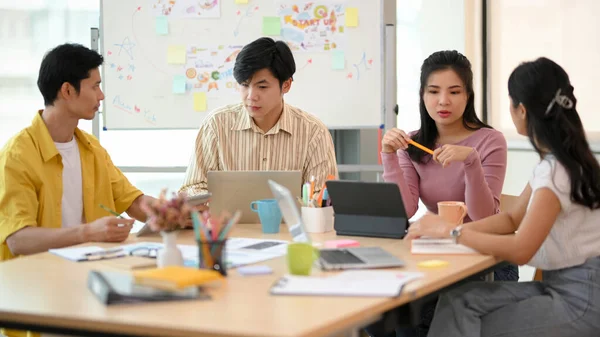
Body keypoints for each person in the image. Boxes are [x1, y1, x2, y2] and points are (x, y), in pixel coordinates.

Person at [406, 57, 600, 336]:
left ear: (520, 110)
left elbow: (522, 250)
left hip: (580, 300)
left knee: (470, 323)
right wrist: (445, 231)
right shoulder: (558, 163)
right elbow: (510, 219)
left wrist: (451, 233)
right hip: (564, 286)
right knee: (457, 301)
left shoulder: (556, 172)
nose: (443, 100)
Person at [376, 50, 516, 337]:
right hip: (438, 255)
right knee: (379, 311)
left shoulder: (490, 141)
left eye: (454, 91)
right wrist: (389, 155)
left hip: (486, 258)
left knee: (412, 318)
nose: (443, 101)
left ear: (468, 96)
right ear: (422, 95)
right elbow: (404, 209)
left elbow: (482, 216)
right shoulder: (413, 143)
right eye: (434, 91)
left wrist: (471, 161)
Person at [0, 43, 156, 265]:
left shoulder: (91, 148)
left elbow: (133, 202)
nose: (101, 96)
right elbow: (18, 239)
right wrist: (88, 232)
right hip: (36, 281)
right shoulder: (17, 155)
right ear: (67, 90)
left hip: (88, 271)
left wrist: (174, 214)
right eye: (95, 86)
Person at [180, 37, 338, 199]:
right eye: (244, 84)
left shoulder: (313, 131)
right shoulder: (216, 125)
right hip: (228, 223)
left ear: (286, 85)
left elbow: (323, 196)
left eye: (262, 87)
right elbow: (193, 186)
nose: (251, 96)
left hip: (291, 225)